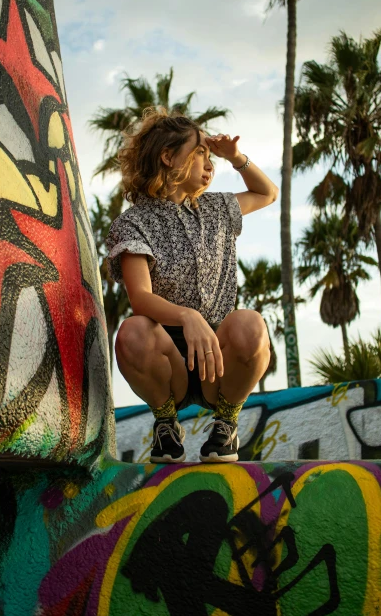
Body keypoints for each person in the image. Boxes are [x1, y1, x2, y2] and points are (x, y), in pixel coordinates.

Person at [106, 107, 278, 463]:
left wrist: (236, 157)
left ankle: (226, 422)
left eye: (209, 153)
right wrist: (188, 317)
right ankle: (167, 423)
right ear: (168, 157)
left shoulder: (217, 208)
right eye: (199, 152)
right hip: (165, 355)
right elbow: (140, 298)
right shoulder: (133, 223)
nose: (208, 161)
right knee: (133, 331)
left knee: (250, 323)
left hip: (220, 357)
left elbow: (267, 193)